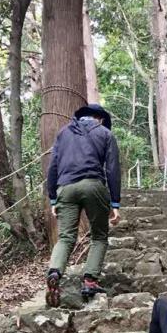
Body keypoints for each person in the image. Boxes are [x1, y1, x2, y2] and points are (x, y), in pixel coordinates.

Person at [45, 103, 121, 307]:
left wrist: (53, 198)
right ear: (100, 119)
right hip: (93, 185)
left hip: (65, 187)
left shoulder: (63, 133)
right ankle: (90, 281)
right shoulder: (105, 134)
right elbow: (112, 169)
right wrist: (115, 202)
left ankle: (54, 272)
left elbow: (53, 166)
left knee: (66, 237)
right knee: (99, 236)